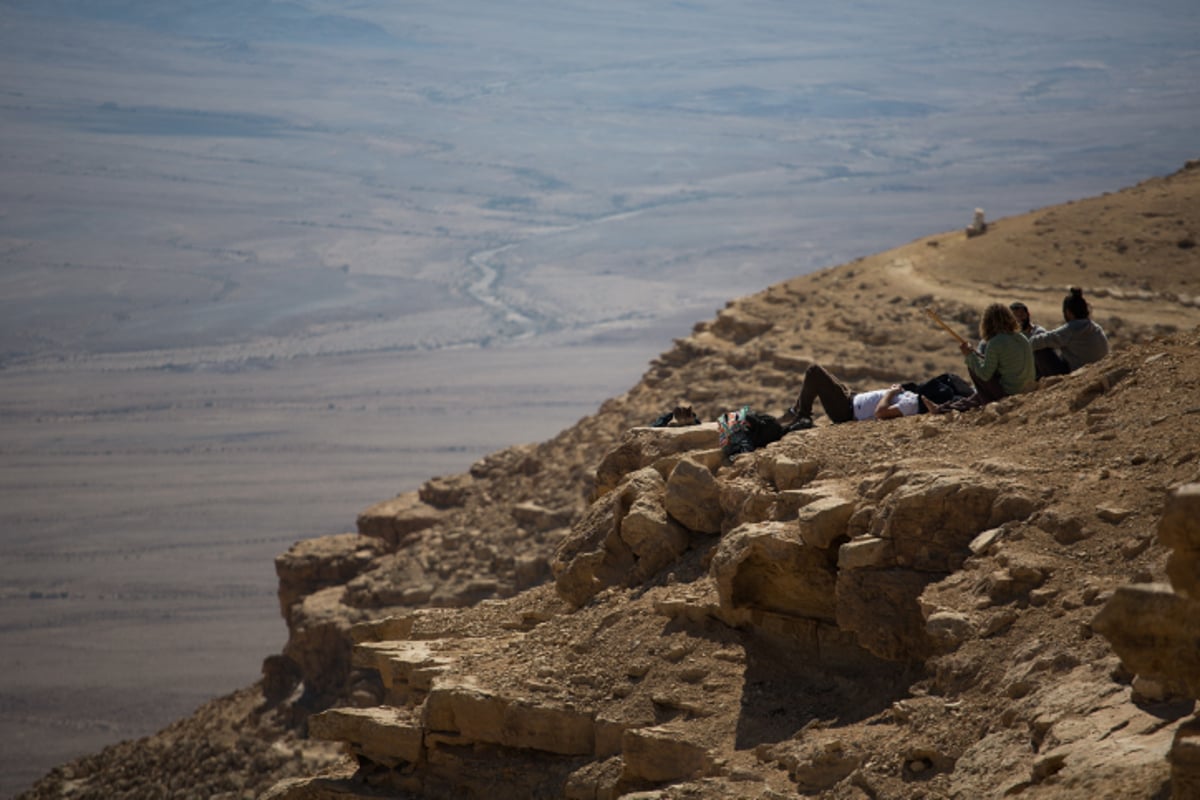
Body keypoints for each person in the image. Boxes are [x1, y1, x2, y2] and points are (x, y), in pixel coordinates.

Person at [935, 302, 1035, 413]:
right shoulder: (1021, 337)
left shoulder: (995, 342)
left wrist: (969, 356)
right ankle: (945, 409)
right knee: (977, 379)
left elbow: (985, 375)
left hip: (1010, 393)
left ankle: (988, 403)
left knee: (973, 368)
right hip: (1026, 388)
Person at [779, 364, 924, 428]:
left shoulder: (911, 405)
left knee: (814, 371)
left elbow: (880, 412)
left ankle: (802, 414)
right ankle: (796, 410)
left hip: (847, 411)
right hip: (852, 400)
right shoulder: (913, 399)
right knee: (829, 378)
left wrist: (891, 392)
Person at [1028, 287, 1109, 376]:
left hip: (1078, 374)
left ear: (1068, 312)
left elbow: (1039, 341)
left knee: (1040, 349)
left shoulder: (1072, 329)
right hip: (1099, 370)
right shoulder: (1096, 327)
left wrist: (1022, 344)